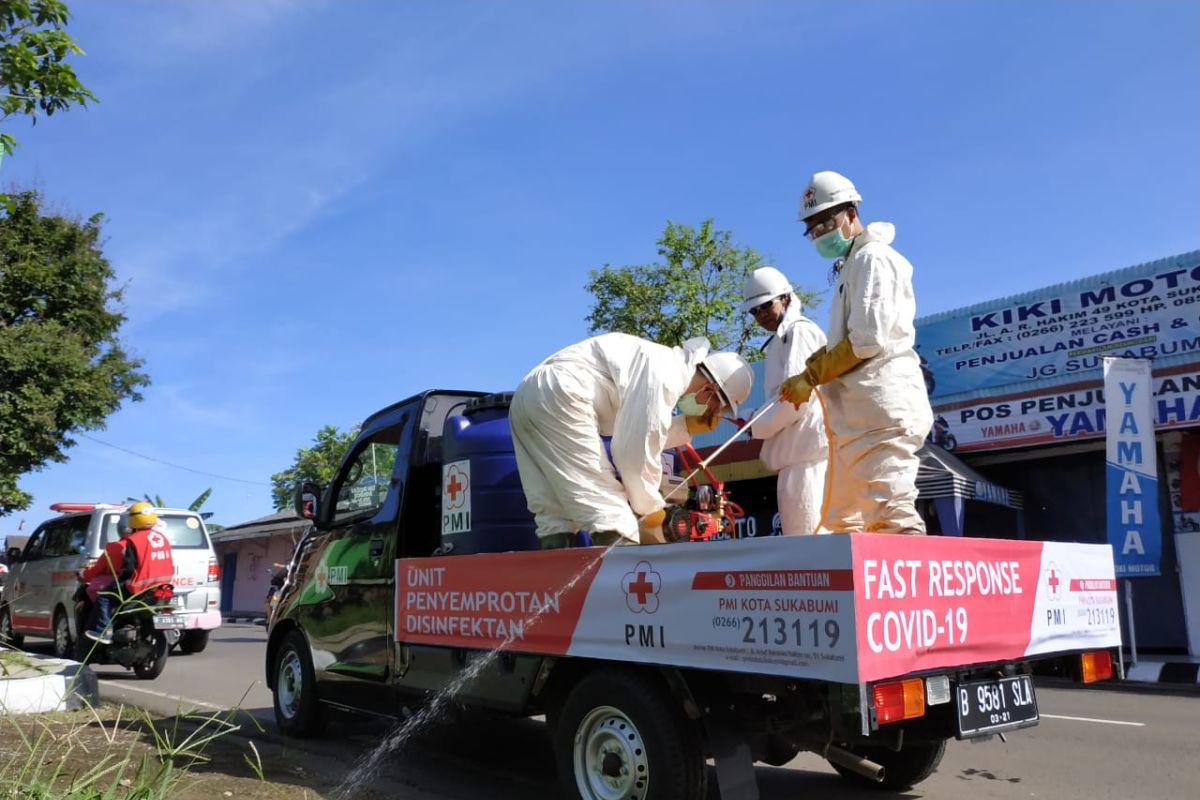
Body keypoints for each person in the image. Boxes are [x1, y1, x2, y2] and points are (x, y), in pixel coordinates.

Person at [780, 171, 932, 534]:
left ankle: (910, 589)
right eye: (812, 229)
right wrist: (818, 362)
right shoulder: (853, 265)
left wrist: (813, 375)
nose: (820, 234)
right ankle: (855, 590)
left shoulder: (873, 259)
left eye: (825, 223)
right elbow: (853, 336)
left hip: (880, 413)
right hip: (856, 419)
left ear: (850, 212)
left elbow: (868, 339)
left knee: (891, 515)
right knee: (843, 524)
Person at [510, 333, 753, 548]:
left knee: (554, 513)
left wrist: (684, 426)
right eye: (715, 408)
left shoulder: (658, 362)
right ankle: (613, 595)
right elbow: (633, 453)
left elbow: (632, 432)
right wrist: (650, 508)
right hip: (563, 394)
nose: (710, 412)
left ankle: (554, 585)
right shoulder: (666, 376)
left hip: (526, 396)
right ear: (710, 390)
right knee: (613, 515)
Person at [742, 267, 829, 534]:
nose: (761, 315)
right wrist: (753, 418)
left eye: (766, 306)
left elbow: (796, 400)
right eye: (754, 311)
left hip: (810, 458)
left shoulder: (799, 332)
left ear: (786, 299)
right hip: (797, 457)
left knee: (813, 546)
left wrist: (754, 424)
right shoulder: (782, 339)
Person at [78, 501, 171, 643]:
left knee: (104, 596)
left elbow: (128, 568)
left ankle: (104, 631)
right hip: (162, 586)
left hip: (140, 587)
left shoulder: (133, 540)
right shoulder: (162, 538)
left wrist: (122, 582)